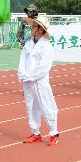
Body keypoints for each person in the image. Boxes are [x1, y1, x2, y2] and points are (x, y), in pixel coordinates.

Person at [19, 16, 59, 146]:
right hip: (28, 82)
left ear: (41, 30)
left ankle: (54, 133)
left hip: (40, 82)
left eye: (35, 26)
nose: (32, 28)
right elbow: (22, 61)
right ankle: (35, 133)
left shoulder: (46, 47)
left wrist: (31, 76)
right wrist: (23, 75)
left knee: (46, 106)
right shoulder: (29, 44)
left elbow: (43, 67)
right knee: (31, 107)